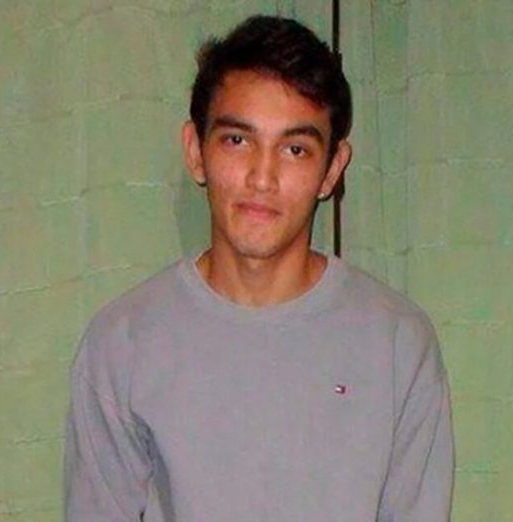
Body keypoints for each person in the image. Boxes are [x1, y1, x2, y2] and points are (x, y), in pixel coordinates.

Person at [64, 15, 454, 522]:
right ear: (195, 151)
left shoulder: (398, 342)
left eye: (295, 149)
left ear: (332, 170)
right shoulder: (123, 342)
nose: (262, 177)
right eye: (237, 140)